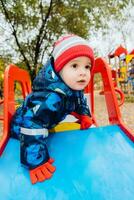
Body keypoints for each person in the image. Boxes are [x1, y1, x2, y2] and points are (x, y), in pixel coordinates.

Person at [10, 34, 95, 184]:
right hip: (22, 129)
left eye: (87, 66)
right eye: (75, 65)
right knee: (36, 122)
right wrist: (35, 160)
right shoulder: (48, 96)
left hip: (45, 125)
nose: (83, 72)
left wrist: (84, 114)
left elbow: (79, 99)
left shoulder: (72, 86)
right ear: (59, 69)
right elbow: (32, 123)